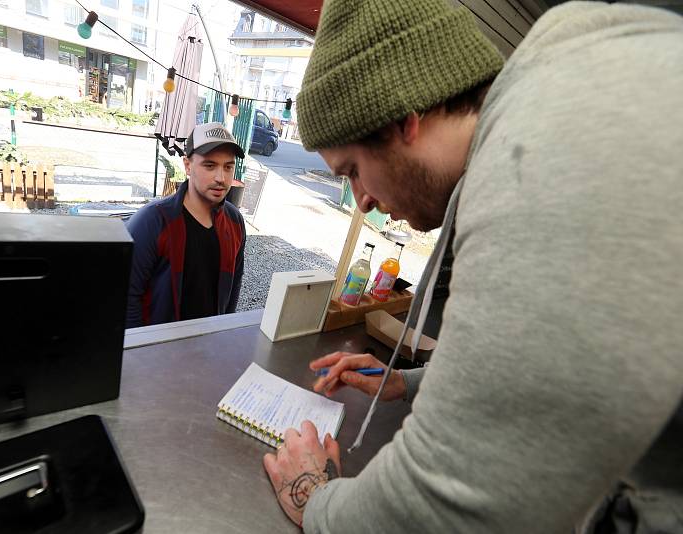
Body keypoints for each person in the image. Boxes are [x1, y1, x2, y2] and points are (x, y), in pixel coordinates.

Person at [262, 1, 683, 532]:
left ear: (402, 119)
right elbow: (549, 367)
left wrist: (314, 499)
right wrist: (409, 385)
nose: (361, 199)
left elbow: (451, 505)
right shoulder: (559, 97)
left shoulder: (541, 161)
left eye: (353, 170)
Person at [125, 122, 246, 328]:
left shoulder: (234, 222)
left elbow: (233, 286)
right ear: (188, 165)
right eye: (210, 165)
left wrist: (223, 331)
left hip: (209, 345)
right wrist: (142, 350)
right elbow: (127, 296)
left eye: (228, 166)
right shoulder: (153, 221)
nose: (221, 178)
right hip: (160, 349)